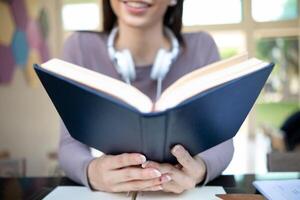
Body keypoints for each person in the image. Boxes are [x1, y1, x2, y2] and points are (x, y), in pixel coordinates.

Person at [59, 0, 234, 194]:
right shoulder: (79, 48)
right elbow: (69, 144)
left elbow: (222, 141)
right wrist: (93, 173)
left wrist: (200, 169)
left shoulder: (201, 47)